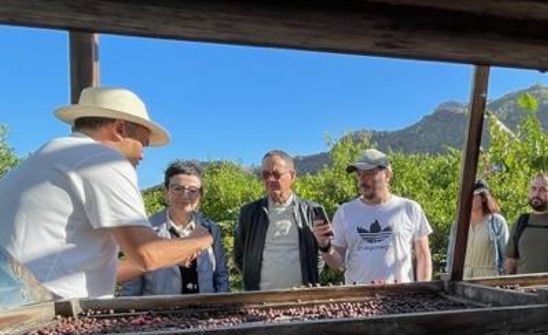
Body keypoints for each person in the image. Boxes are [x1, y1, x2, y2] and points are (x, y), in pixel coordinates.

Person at [0, 86, 212, 299]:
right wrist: (199, 240)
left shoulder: (53, 153)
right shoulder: (102, 160)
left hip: (20, 301)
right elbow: (147, 254)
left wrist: (172, 254)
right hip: (41, 308)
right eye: (142, 144)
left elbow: (86, 273)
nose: (142, 156)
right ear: (119, 129)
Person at [313, 148, 432, 284]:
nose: (362, 179)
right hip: (357, 298)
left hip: (401, 295)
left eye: (369, 173)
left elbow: (423, 255)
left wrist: (423, 289)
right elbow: (336, 263)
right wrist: (325, 246)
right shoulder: (345, 212)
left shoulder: (409, 208)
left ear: (387, 175)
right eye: (359, 174)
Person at [120, 161, 230, 296]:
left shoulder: (211, 229)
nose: (185, 195)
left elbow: (221, 276)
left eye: (193, 190)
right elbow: (132, 285)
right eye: (178, 188)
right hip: (159, 313)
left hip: (205, 312)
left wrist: (221, 307)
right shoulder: (145, 229)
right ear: (166, 192)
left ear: (200, 196)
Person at [233, 150, 324, 291]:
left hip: (301, 299)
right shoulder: (248, 213)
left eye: (276, 174)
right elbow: (239, 256)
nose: (270, 180)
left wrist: (310, 277)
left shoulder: (312, 211)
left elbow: (320, 254)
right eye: (265, 175)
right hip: (259, 299)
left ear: (292, 176)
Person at [445, 179, 509, 278]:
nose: (469, 199)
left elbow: (506, 257)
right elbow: (450, 257)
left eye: (473, 195)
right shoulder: (458, 224)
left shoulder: (497, 222)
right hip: (463, 281)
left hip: (489, 281)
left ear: (484, 197)